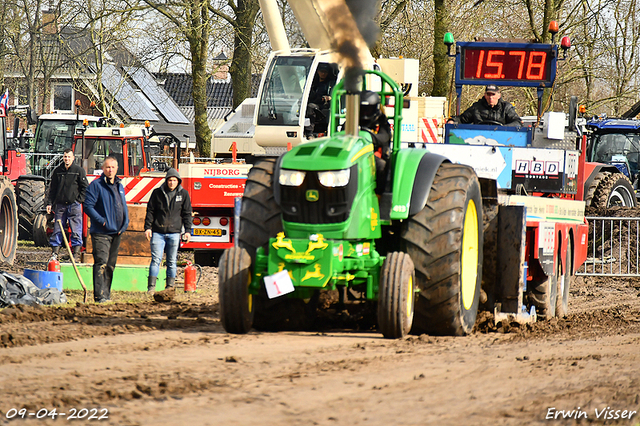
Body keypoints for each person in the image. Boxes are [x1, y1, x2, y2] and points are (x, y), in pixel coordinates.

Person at [83, 156, 129, 303]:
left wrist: (125, 221)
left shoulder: (119, 186)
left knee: (110, 265)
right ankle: (99, 296)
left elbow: (123, 205)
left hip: (117, 232)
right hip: (101, 232)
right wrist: (102, 221)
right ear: (103, 169)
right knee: (101, 263)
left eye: (113, 167)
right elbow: (87, 206)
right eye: (107, 167)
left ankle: (106, 294)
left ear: (117, 169)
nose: (110, 170)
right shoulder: (96, 185)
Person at [144, 168, 192, 293]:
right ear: (166, 181)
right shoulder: (156, 193)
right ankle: (151, 287)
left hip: (174, 233)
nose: (172, 183)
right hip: (158, 232)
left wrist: (187, 231)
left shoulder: (184, 195)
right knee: (156, 260)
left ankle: (169, 287)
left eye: (174, 180)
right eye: (170, 180)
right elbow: (150, 211)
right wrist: (148, 228)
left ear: (178, 181)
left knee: (171, 261)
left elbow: (187, 214)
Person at [45, 148, 88, 262]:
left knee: (75, 229)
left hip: (74, 205)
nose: (67, 159)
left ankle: (76, 254)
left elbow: (85, 187)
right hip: (60, 206)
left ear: (73, 158)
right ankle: (55, 253)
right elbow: (52, 189)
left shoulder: (79, 171)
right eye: (65, 157)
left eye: (69, 157)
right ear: (63, 158)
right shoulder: (58, 171)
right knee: (58, 229)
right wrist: (49, 203)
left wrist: (79, 200)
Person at [359, 90, 392, 192]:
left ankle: (379, 194)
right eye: (362, 110)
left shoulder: (382, 124)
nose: (365, 113)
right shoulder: (351, 121)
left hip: (372, 156)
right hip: (353, 156)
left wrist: (367, 135)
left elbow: (384, 138)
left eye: (368, 110)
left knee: (382, 165)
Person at [448, 84, 522, 127]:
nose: (491, 97)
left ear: (499, 95)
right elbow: (462, 119)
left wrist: (502, 128)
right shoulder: (476, 108)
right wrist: (452, 121)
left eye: (493, 94)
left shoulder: (506, 108)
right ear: (485, 95)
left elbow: (517, 122)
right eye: (488, 94)